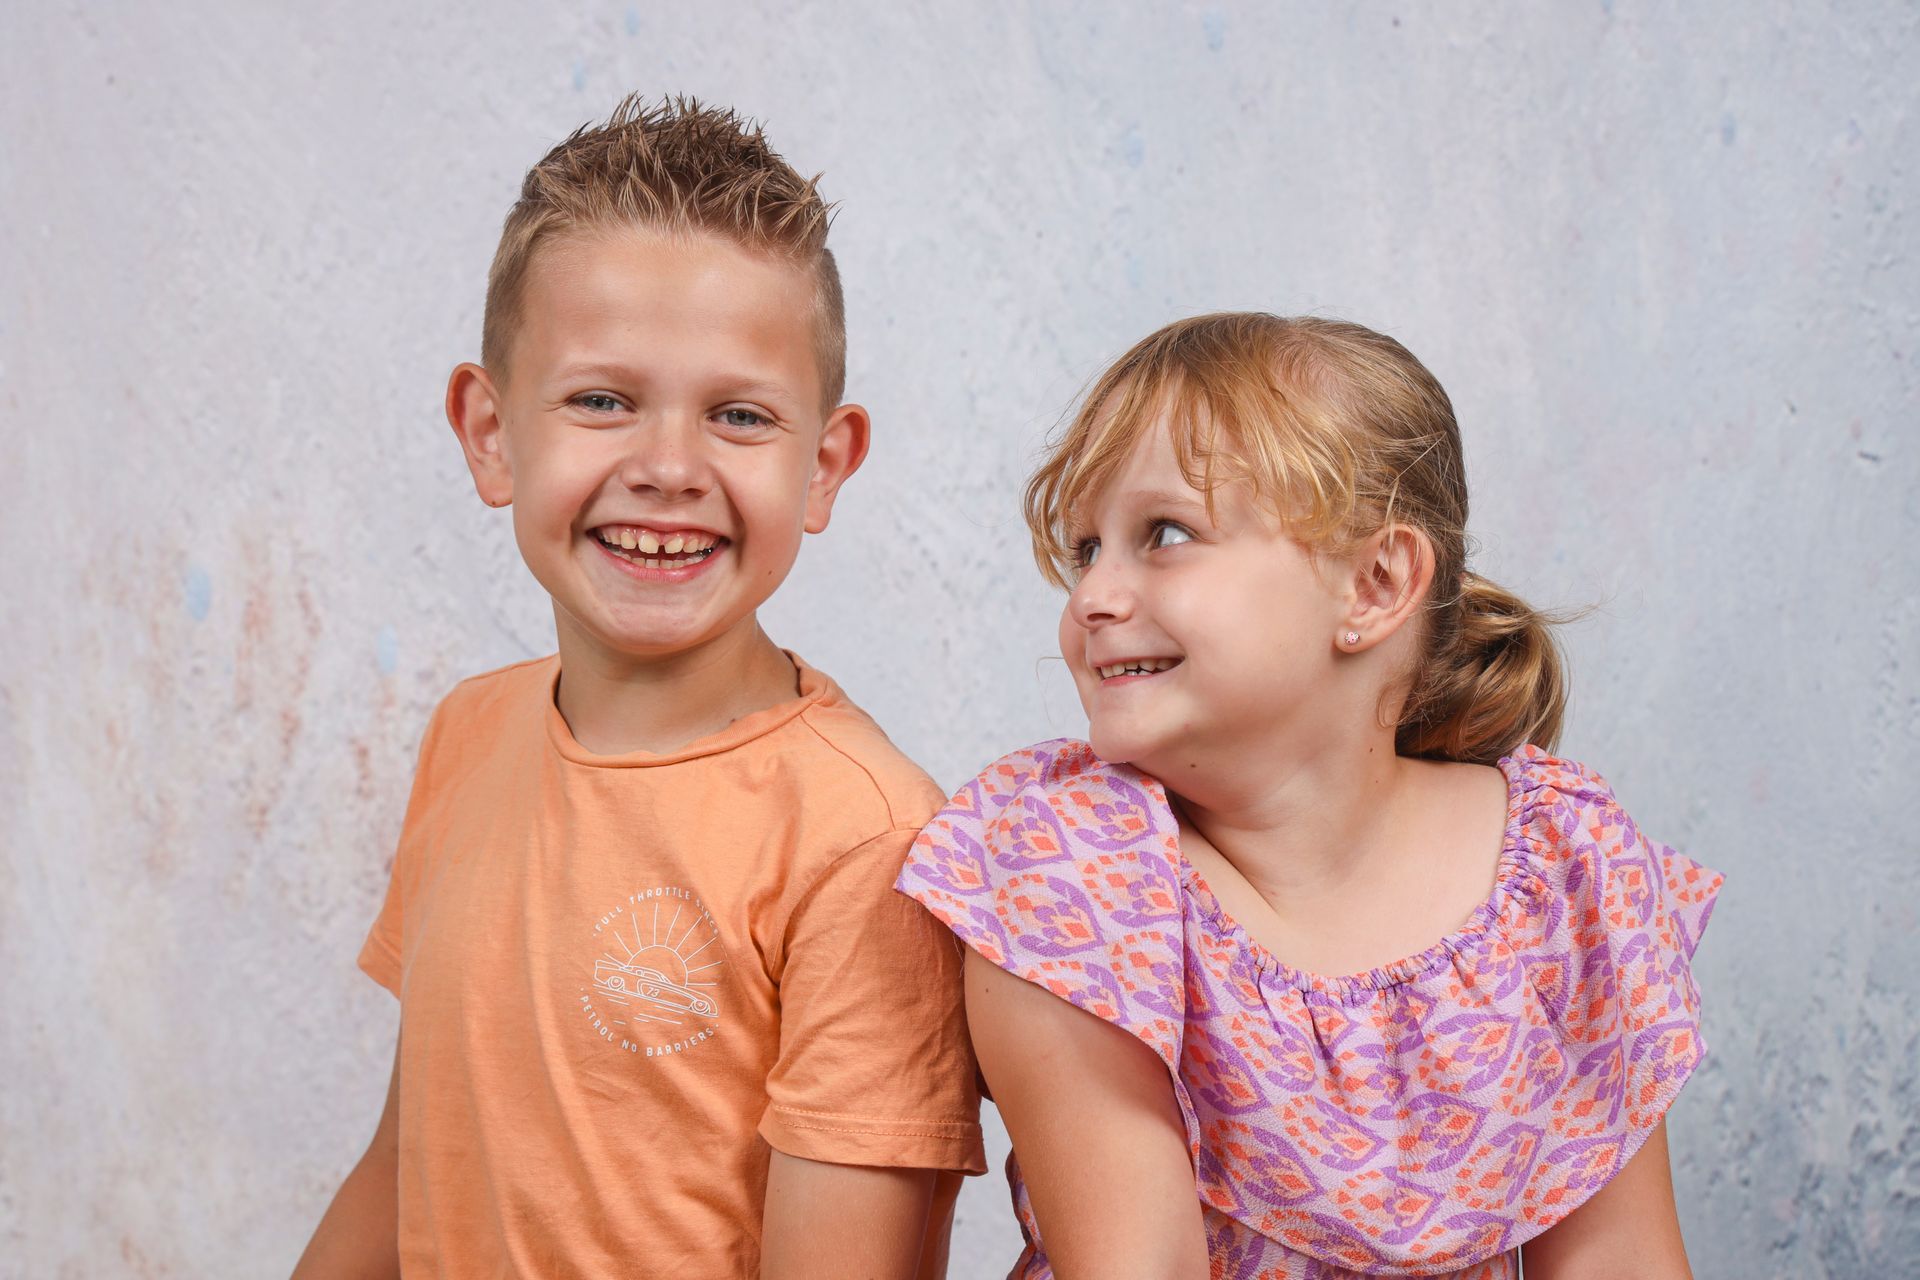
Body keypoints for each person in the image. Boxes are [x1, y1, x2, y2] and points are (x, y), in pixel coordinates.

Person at [294, 95, 983, 1279]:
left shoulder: (867, 839)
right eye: (603, 399)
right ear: (490, 432)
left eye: (739, 415)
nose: (668, 467)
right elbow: (409, 1155)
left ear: (824, 465)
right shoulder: (471, 730)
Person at [897, 313, 1720, 1278]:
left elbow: (1620, 1262)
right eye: (1086, 550)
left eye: (1164, 534)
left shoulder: (1565, 865)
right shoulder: (1070, 869)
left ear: (1374, 583)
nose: (1093, 598)